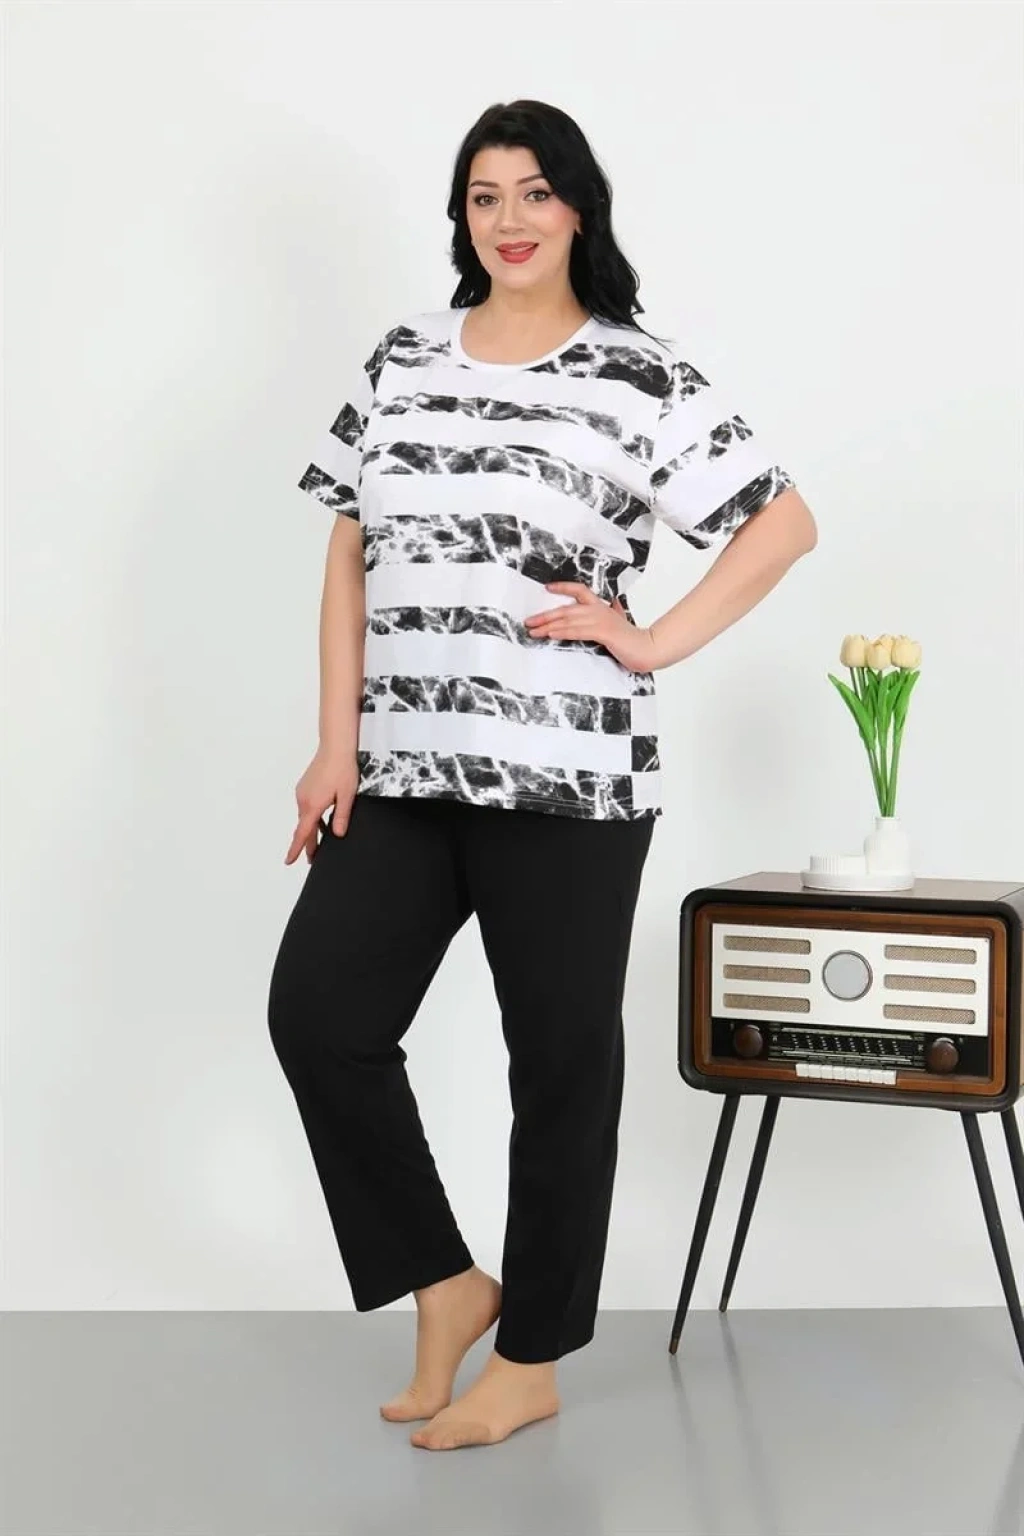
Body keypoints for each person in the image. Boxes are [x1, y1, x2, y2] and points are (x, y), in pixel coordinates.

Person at [267, 98, 818, 1454]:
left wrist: (649, 640)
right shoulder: (404, 355)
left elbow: (781, 522)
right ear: (462, 218)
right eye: (483, 196)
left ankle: (533, 1356)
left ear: (578, 206)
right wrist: (335, 742)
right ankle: (449, 1286)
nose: (508, 220)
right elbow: (348, 554)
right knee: (320, 1018)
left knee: (560, 1063)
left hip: (569, 779)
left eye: (533, 192)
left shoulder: (640, 373)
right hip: (402, 767)